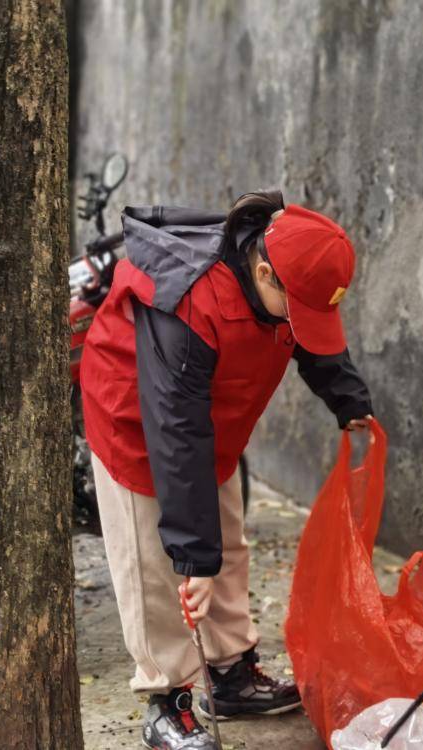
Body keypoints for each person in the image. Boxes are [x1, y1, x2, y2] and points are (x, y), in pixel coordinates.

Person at [80, 190, 373, 749]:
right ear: (263, 272)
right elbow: (176, 430)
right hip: (139, 423)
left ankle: (230, 672)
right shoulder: (191, 299)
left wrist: (348, 398)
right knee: (159, 566)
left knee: (227, 545)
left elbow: (309, 332)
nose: (299, 318)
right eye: (295, 306)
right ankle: (168, 698)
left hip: (211, 421)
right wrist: (193, 558)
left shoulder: (281, 282)